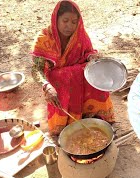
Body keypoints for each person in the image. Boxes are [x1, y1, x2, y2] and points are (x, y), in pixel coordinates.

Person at [31, 0, 114, 136]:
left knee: (94, 75)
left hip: (79, 74)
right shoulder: (43, 39)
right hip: (58, 81)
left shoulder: (80, 35)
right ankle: (65, 124)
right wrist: (46, 86)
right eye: (65, 20)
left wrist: (92, 57)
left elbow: (89, 52)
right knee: (62, 78)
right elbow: (36, 69)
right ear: (56, 18)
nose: (69, 26)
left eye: (74, 22)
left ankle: (94, 115)